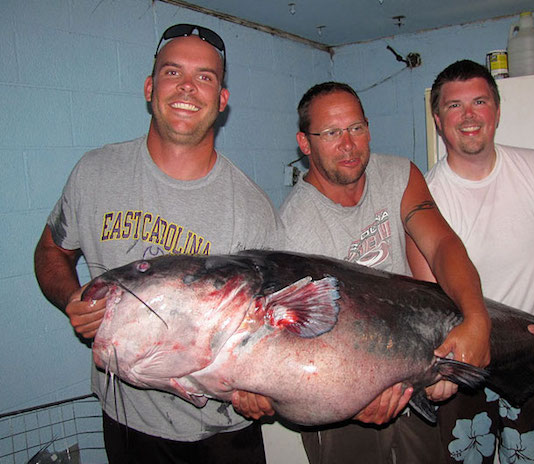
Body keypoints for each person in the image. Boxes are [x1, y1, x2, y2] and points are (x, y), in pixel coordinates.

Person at [33, 24, 281, 463]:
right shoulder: (94, 174)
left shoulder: (253, 208)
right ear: (150, 88)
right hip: (128, 424)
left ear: (222, 101)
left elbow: (275, 329)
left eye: (205, 77)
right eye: (172, 73)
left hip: (224, 432)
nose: (188, 87)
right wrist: (74, 298)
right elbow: (53, 250)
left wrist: (261, 386)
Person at [271, 81, 491, 464]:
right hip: (344, 401)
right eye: (331, 133)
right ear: (305, 144)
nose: (348, 144)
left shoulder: (398, 175)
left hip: (415, 366)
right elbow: (301, 346)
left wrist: (475, 320)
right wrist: (358, 395)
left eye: (356, 128)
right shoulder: (291, 230)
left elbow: (441, 245)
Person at [413, 59, 534, 463]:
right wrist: (436, 371)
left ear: (496, 109)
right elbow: (429, 300)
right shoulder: (422, 196)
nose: (469, 115)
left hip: (533, 363)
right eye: (454, 106)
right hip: (460, 371)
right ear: (438, 120)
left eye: (479, 101)